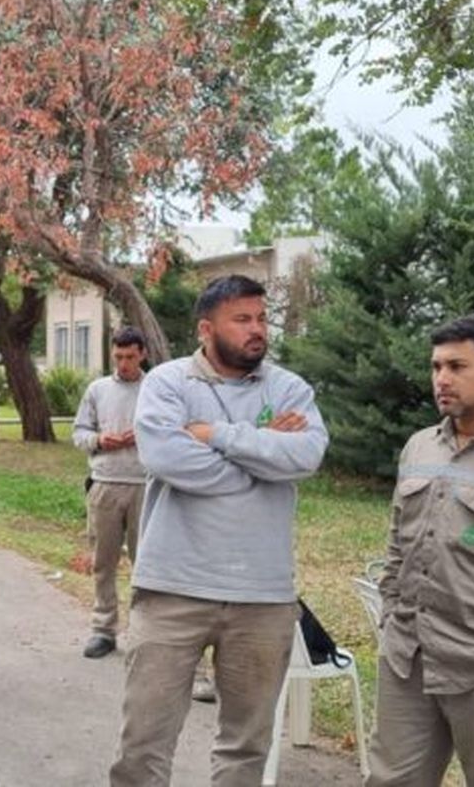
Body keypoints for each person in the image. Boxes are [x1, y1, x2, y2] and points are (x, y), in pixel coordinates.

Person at [109, 274, 329, 787]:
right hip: (173, 591)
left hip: (262, 597)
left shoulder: (289, 388)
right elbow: (167, 459)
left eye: (261, 318)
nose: (258, 330)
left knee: (245, 749)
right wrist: (260, 451)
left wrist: (218, 436)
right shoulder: (167, 383)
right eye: (242, 319)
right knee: (142, 746)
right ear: (207, 328)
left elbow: (306, 455)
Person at [367, 316, 474, 787]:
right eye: (436, 366)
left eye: (457, 366)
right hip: (407, 656)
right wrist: (392, 613)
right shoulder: (419, 447)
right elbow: (397, 544)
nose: (442, 379)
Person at [73, 326, 149, 660]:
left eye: (130, 357)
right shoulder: (98, 389)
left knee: (144, 562)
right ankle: (103, 629)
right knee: (104, 560)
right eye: (118, 357)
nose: (124, 363)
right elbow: (79, 432)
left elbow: (174, 431)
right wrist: (100, 440)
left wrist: (143, 437)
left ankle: (142, 631)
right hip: (105, 482)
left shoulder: (155, 389)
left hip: (145, 485)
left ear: (142, 354)